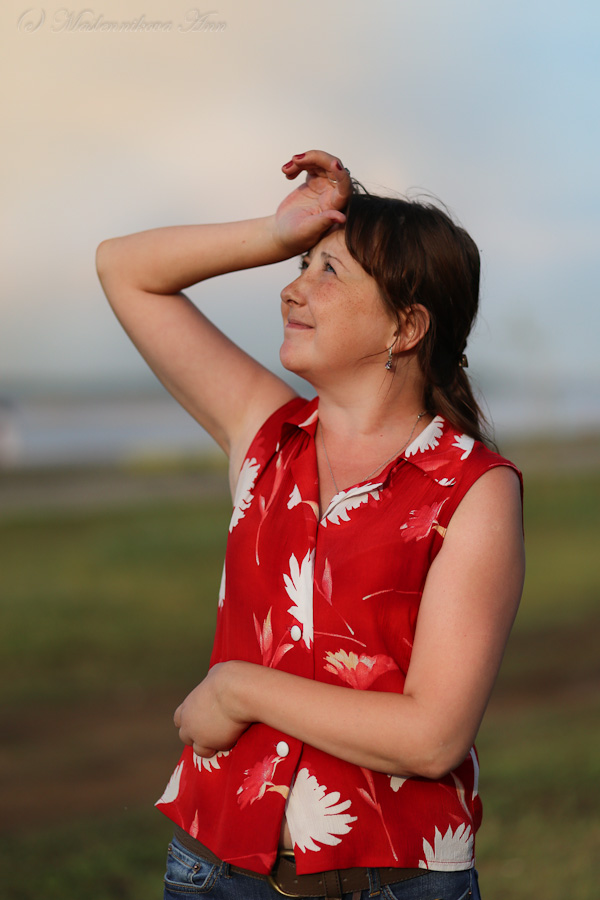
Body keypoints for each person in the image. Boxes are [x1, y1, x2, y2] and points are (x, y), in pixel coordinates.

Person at [96, 150, 525, 900]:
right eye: (301, 266)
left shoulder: (473, 490)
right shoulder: (264, 432)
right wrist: (276, 232)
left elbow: (432, 738)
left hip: (395, 882)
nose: (292, 289)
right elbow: (123, 268)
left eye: (328, 272)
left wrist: (239, 691)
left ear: (406, 325)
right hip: (213, 871)